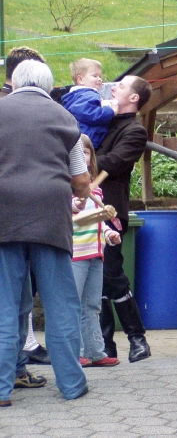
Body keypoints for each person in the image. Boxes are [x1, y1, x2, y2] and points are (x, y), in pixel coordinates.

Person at [0, 60, 90, 407]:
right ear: (49, 86)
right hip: (50, 214)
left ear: (14, 82)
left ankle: (2, 388)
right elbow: (80, 178)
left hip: (4, 215)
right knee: (61, 302)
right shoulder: (63, 116)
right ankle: (71, 384)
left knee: (6, 304)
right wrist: (82, 193)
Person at [0, 47, 51, 379]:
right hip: (30, 217)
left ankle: (15, 371)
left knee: (14, 301)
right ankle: (13, 371)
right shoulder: (44, 110)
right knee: (15, 303)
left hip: (9, 216)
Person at [96, 75, 153, 363]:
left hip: (110, 210)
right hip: (83, 209)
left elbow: (114, 162)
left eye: (121, 85)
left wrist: (77, 162)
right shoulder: (102, 121)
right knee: (93, 279)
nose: (113, 86)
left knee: (111, 274)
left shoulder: (135, 131)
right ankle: (104, 344)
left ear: (133, 98)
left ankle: (137, 338)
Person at [72, 135, 121, 368]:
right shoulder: (67, 189)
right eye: (77, 152)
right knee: (73, 304)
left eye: (86, 152)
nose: (82, 156)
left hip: (96, 253)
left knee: (93, 306)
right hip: (75, 254)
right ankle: (75, 352)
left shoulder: (97, 191)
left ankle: (95, 352)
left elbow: (98, 221)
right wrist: (78, 204)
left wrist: (109, 234)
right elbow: (72, 213)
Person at [62, 58, 119, 150]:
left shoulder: (80, 95)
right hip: (87, 139)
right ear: (80, 79)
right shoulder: (87, 94)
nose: (99, 79)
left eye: (100, 76)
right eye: (95, 76)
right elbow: (89, 113)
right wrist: (110, 111)